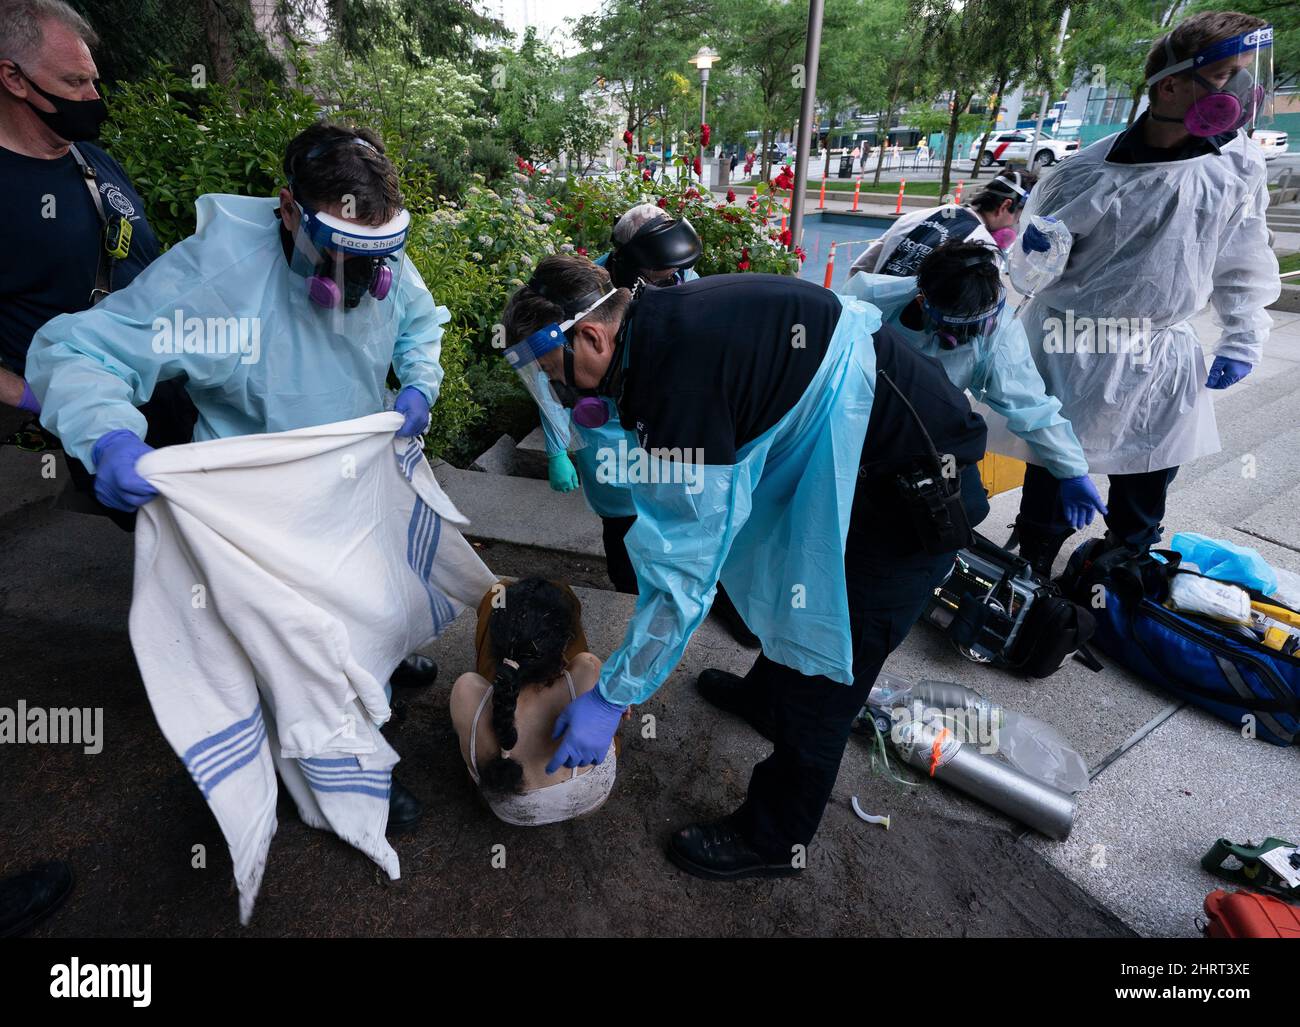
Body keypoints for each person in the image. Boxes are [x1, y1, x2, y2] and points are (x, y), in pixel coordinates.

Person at [500, 255, 988, 879]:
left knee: (829, 674)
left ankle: (775, 838)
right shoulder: (658, 318)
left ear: (593, 335)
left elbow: (682, 577)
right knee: (790, 591)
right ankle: (765, 698)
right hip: (868, 453)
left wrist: (616, 696)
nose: (568, 395)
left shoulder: (676, 385)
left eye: (558, 375)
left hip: (910, 504)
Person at [25, 121, 452, 830]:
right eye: (341, 253)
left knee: (366, 595)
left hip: (354, 477)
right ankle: (334, 775)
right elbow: (78, 352)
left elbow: (416, 320)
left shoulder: (375, 247)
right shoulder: (215, 277)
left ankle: (367, 667)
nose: (361, 280)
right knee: (284, 650)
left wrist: (419, 383)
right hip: (262, 503)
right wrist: (106, 438)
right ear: (288, 209)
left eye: (375, 257)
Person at [1011, 10, 1280, 577]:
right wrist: (1038, 250)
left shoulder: (1236, 166)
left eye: (1246, 73)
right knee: (1058, 472)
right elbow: (1031, 275)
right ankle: (1030, 570)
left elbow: (1243, 254)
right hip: (1075, 344)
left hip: (1162, 346)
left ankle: (1120, 570)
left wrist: (1242, 334)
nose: (1243, 90)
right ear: (1171, 85)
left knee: (1149, 474)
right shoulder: (1087, 175)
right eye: (1227, 74)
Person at [0, 0, 195, 528]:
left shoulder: (89, 158)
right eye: (75, 83)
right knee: (187, 539)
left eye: (94, 81)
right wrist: (36, 395)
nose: (94, 99)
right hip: (100, 409)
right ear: (14, 79)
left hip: (172, 383)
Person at [847, 241, 1104, 534]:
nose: (972, 338)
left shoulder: (998, 336)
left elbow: (1032, 407)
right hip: (856, 415)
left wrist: (1072, 471)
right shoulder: (868, 299)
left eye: (979, 325)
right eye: (959, 329)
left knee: (968, 507)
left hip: (922, 430)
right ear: (922, 302)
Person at [539, 203, 701, 595]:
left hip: (664, 428)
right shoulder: (584, 293)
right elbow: (552, 375)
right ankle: (628, 592)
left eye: (673, 270)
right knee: (622, 527)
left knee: (668, 519)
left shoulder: (683, 278)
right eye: (659, 271)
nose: (670, 276)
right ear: (630, 261)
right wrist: (557, 450)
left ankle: (671, 589)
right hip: (605, 428)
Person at [450, 577, 616, 826]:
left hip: (510, 813)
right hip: (591, 798)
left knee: (498, 590)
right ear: (562, 645)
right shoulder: (587, 670)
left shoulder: (465, 691)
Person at [849, 169, 1037, 279]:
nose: (1016, 226)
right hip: (909, 345)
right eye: (1019, 218)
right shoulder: (984, 251)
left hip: (866, 331)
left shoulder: (919, 215)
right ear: (1005, 206)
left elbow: (859, 270)